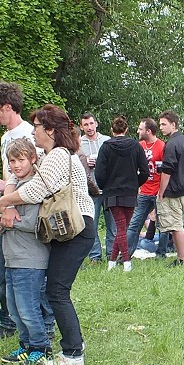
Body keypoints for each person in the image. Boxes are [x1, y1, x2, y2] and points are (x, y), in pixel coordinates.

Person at [0, 105, 95, 365]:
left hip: (78, 228)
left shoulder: (59, 154)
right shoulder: (52, 155)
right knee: (56, 290)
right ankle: (75, 343)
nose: (34, 132)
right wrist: (5, 190)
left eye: (37, 127)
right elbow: (20, 176)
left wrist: (5, 200)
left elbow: (37, 190)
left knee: (56, 291)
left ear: (50, 130)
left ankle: (73, 353)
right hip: (73, 229)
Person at [0, 81, 36, 342]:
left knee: (22, 274)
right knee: (2, 273)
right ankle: (8, 322)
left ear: (7, 107)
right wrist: (0, 193)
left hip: (25, 215)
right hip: (7, 210)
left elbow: (37, 178)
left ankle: (34, 325)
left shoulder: (29, 135)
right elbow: (11, 176)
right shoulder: (6, 137)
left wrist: (8, 190)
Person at [0, 139, 52, 365]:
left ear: (32, 159)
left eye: (21, 160)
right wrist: (0, 221)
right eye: (12, 161)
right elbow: (3, 218)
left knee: (28, 308)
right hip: (11, 257)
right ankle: (26, 344)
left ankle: (41, 348)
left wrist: (8, 221)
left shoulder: (34, 187)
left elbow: (33, 222)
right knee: (15, 308)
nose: (16, 165)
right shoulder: (14, 187)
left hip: (31, 258)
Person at [94, 115, 149, 272]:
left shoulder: (105, 146)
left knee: (121, 228)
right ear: (126, 129)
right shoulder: (136, 146)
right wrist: (135, 183)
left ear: (112, 130)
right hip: (130, 193)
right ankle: (126, 262)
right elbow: (145, 171)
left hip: (112, 194)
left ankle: (114, 262)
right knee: (122, 228)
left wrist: (106, 186)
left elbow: (99, 173)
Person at [156, 110, 184, 266]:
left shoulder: (171, 144)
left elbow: (167, 170)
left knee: (175, 226)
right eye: (160, 124)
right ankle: (182, 256)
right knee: (178, 223)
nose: (161, 128)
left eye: (164, 124)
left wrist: (161, 191)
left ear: (174, 124)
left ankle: (181, 258)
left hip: (173, 190)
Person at [126, 118, 168, 258]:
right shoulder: (139, 146)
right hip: (143, 191)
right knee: (134, 224)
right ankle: (126, 255)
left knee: (163, 224)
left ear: (148, 131)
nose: (138, 131)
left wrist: (162, 191)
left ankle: (161, 253)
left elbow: (166, 171)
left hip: (158, 191)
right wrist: (136, 186)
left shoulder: (162, 146)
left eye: (140, 129)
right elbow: (133, 168)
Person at [79, 112, 112, 264]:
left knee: (112, 224)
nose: (89, 127)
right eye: (86, 124)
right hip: (90, 189)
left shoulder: (107, 140)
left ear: (96, 124)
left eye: (91, 123)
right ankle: (95, 256)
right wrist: (86, 162)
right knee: (91, 223)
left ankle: (112, 253)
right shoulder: (79, 143)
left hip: (109, 188)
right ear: (81, 126)